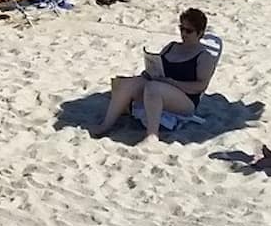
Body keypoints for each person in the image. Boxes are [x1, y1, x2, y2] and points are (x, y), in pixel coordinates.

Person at [90, 8, 219, 143]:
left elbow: (200, 86)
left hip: (186, 99)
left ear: (200, 33)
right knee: (127, 84)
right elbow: (159, 66)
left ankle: (152, 135)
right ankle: (105, 125)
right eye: (182, 29)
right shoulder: (172, 47)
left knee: (153, 88)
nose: (184, 34)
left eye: (189, 31)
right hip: (162, 86)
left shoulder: (204, 56)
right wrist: (149, 72)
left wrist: (172, 82)